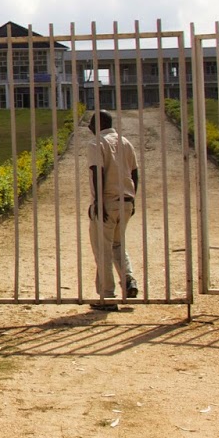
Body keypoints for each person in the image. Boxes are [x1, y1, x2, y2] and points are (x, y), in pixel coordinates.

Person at [85, 110, 139, 311]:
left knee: (102, 248)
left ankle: (107, 297)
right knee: (118, 244)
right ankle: (128, 279)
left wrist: (98, 202)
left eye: (91, 123)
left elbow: (97, 171)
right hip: (126, 201)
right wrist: (133, 199)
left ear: (97, 124)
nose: (89, 127)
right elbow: (135, 173)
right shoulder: (125, 142)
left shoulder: (96, 144)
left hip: (107, 201)